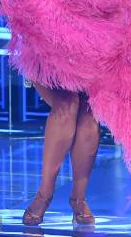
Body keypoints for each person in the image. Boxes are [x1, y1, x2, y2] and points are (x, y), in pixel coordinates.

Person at [22, 85, 100, 226]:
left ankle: (79, 198)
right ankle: (44, 195)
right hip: (52, 64)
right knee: (66, 104)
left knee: (90, 112)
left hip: (94, 65)